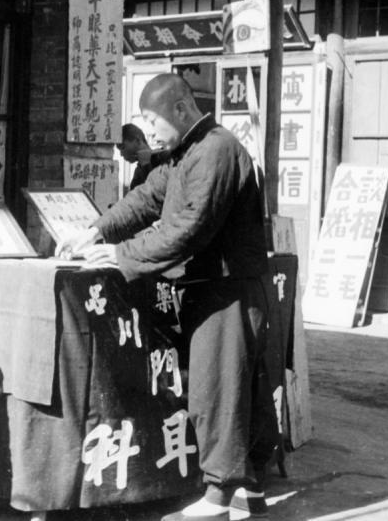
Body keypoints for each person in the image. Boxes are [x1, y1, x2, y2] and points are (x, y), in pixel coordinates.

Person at [57, 73, 277, 521]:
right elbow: (144, 200)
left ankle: (217, 498)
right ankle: (249, 489)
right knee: (237, 386)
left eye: (153, 121)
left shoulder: (216, 150)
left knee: (217, 390)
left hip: (228, 290)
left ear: (181, 109)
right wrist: (94, 230)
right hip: (212, 289)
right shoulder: (182, 154)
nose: (150, 132)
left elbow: (187, 230)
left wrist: (120, 254)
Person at [117, 122, 166, 191]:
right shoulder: (138, 170)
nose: (121, 154)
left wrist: (146, 165)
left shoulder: (164, 159)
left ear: (138, 140)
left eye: (123, 147)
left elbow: (159, 193)